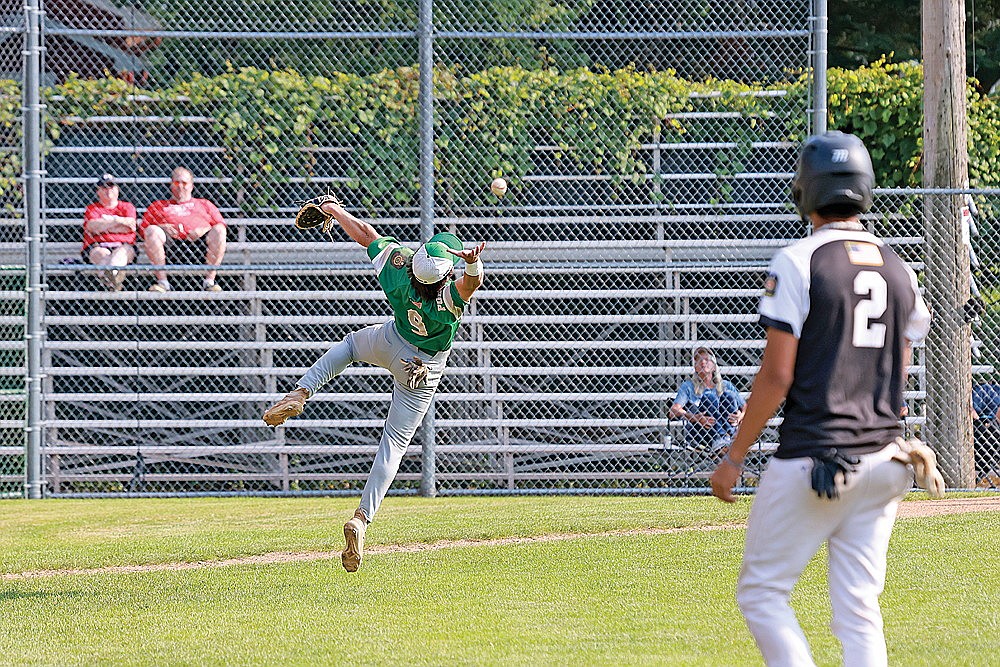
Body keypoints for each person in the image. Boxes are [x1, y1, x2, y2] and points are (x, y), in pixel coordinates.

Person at [709, 131, 932, 667]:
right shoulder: (899, 267)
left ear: (805, 193)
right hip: (885, 459)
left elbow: (777, 374)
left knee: (762, 593)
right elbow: (899, 362)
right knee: (858, 608)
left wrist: (734, 456)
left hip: (816, 457)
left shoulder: (798, 260)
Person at [261, 198, 486, 573]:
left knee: (349, 348)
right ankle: (361, 519)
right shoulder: (447, 296)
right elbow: (473, 282)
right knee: (394, 444)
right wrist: (471, 259)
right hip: (422, 367)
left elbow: (366, 236)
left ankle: (302, 391)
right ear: (444, 276)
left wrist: (334, 211)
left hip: (390, 340)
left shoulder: (401, 271)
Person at [139, 167, 227, 292]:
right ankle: (163, 283)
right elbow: (143, 229)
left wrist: (202, 229)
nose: (180, 186)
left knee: (219, 230)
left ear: (191, 186)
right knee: (152, 231)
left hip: (199, 245)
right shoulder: (158, 206)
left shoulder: (204, 204)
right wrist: (161, 228)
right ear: (171, 185)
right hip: (169, 246)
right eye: (176, 183)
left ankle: (209, 281)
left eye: (184, 183)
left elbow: (221, 224)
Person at [669, 346, 746, 456]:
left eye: (707, 359)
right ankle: (722, 440)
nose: (703, 362)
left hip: (729, 430)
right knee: (710, 396)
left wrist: (740, 416)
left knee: (729, 395)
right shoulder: (688, 387)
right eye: (699, 360)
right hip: (702, 432)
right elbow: (674, 411)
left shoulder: (726, 385)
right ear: (695, 367)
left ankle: (724, 439)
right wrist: (696, 417)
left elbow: (745, 407)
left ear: (714, 366)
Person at [81, 173, 137, 291]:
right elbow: (92, 227)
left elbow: (130, 226)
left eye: (111, 186)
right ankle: (115, 280)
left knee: (119, 255)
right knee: (102, 255)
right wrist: (119, 223)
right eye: (104, 187)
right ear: (98, 191)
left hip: (123, 246)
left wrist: (110, 221)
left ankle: (109, 280)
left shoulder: (127, 207)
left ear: (117, 189)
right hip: (98, 245)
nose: (108, 190)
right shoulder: (93, 208)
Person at [972, 382, 1000, 485]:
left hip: (993, 432)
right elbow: (972, 411)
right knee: (989, 428)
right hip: (980, 428)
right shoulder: (986, 390)